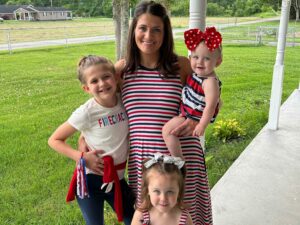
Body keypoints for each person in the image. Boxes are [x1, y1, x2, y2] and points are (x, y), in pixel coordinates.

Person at [115, 1, 213, 224]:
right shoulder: (122, 70)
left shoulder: (181, 65)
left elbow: (212, 100)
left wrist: (197, 120)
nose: (149, 35)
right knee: (149, 218)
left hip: (183, 159)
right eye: (143, 28)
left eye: (156, 29)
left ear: (165, 33)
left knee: (186, 218)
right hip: (145, 162)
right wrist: (84, 138)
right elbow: (102, 108)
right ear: (134, 31)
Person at [48, 55, 135, 225]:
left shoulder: (124, 100)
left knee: (134, 219)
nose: (102, 84)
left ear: (116, 77)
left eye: (106, 77)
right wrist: (82, 157)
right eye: (94, 81)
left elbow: (125, 62)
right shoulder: (86, 112)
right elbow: (54, 140)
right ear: (86, 88)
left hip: (117, 179)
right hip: (90, 181)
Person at [162, 27, 223, 158]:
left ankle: (178, 160)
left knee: (167, 131)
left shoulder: (209, 82)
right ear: (190, 58)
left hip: (193, 116)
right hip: (187, 112)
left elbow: (211, 106)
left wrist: (202, 124)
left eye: (206, 58)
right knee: (168, 131)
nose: (199, 62)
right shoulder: (197, 75)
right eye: (196, 57)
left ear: (217, 61)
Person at [131, 153, 193, 225]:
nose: (163, 198)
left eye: (170, 191)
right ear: (147, 190)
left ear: (179, 191)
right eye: (157, 191)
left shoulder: (184, 218)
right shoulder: (141, 215)